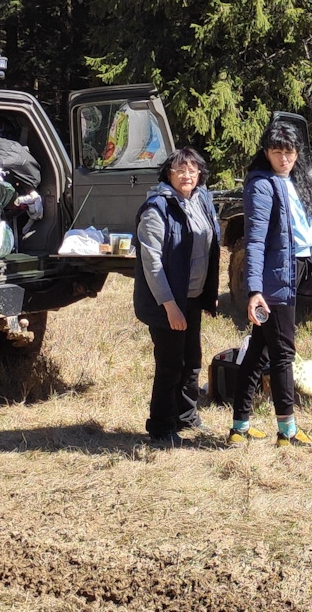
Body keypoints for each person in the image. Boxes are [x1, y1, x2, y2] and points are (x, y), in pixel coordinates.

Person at [231, 121, 312, 447]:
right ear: (266, 152)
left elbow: (299, 232)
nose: (284, 158)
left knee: (256, 353)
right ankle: (287, 432)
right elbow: (255, 241)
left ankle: (239, 427)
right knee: (283, 355)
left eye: (289, 152)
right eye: (277, 152)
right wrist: (254, 291)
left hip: (292, 273)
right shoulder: (262, 185)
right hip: (275, 279)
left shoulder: (295, 181)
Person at [132, 148, 220, 447]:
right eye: (180, 170)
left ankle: (186, 416)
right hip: (166, 301)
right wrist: (170, 306)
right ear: (168, 174)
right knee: (170, 364)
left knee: (191, 361)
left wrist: (209, 293)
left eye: (192, 170)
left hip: (192, 297)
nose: (187, 175)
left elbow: (211, 248)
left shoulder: (201, 200)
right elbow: (152, 262)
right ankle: (161, 426)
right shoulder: (157, 208)